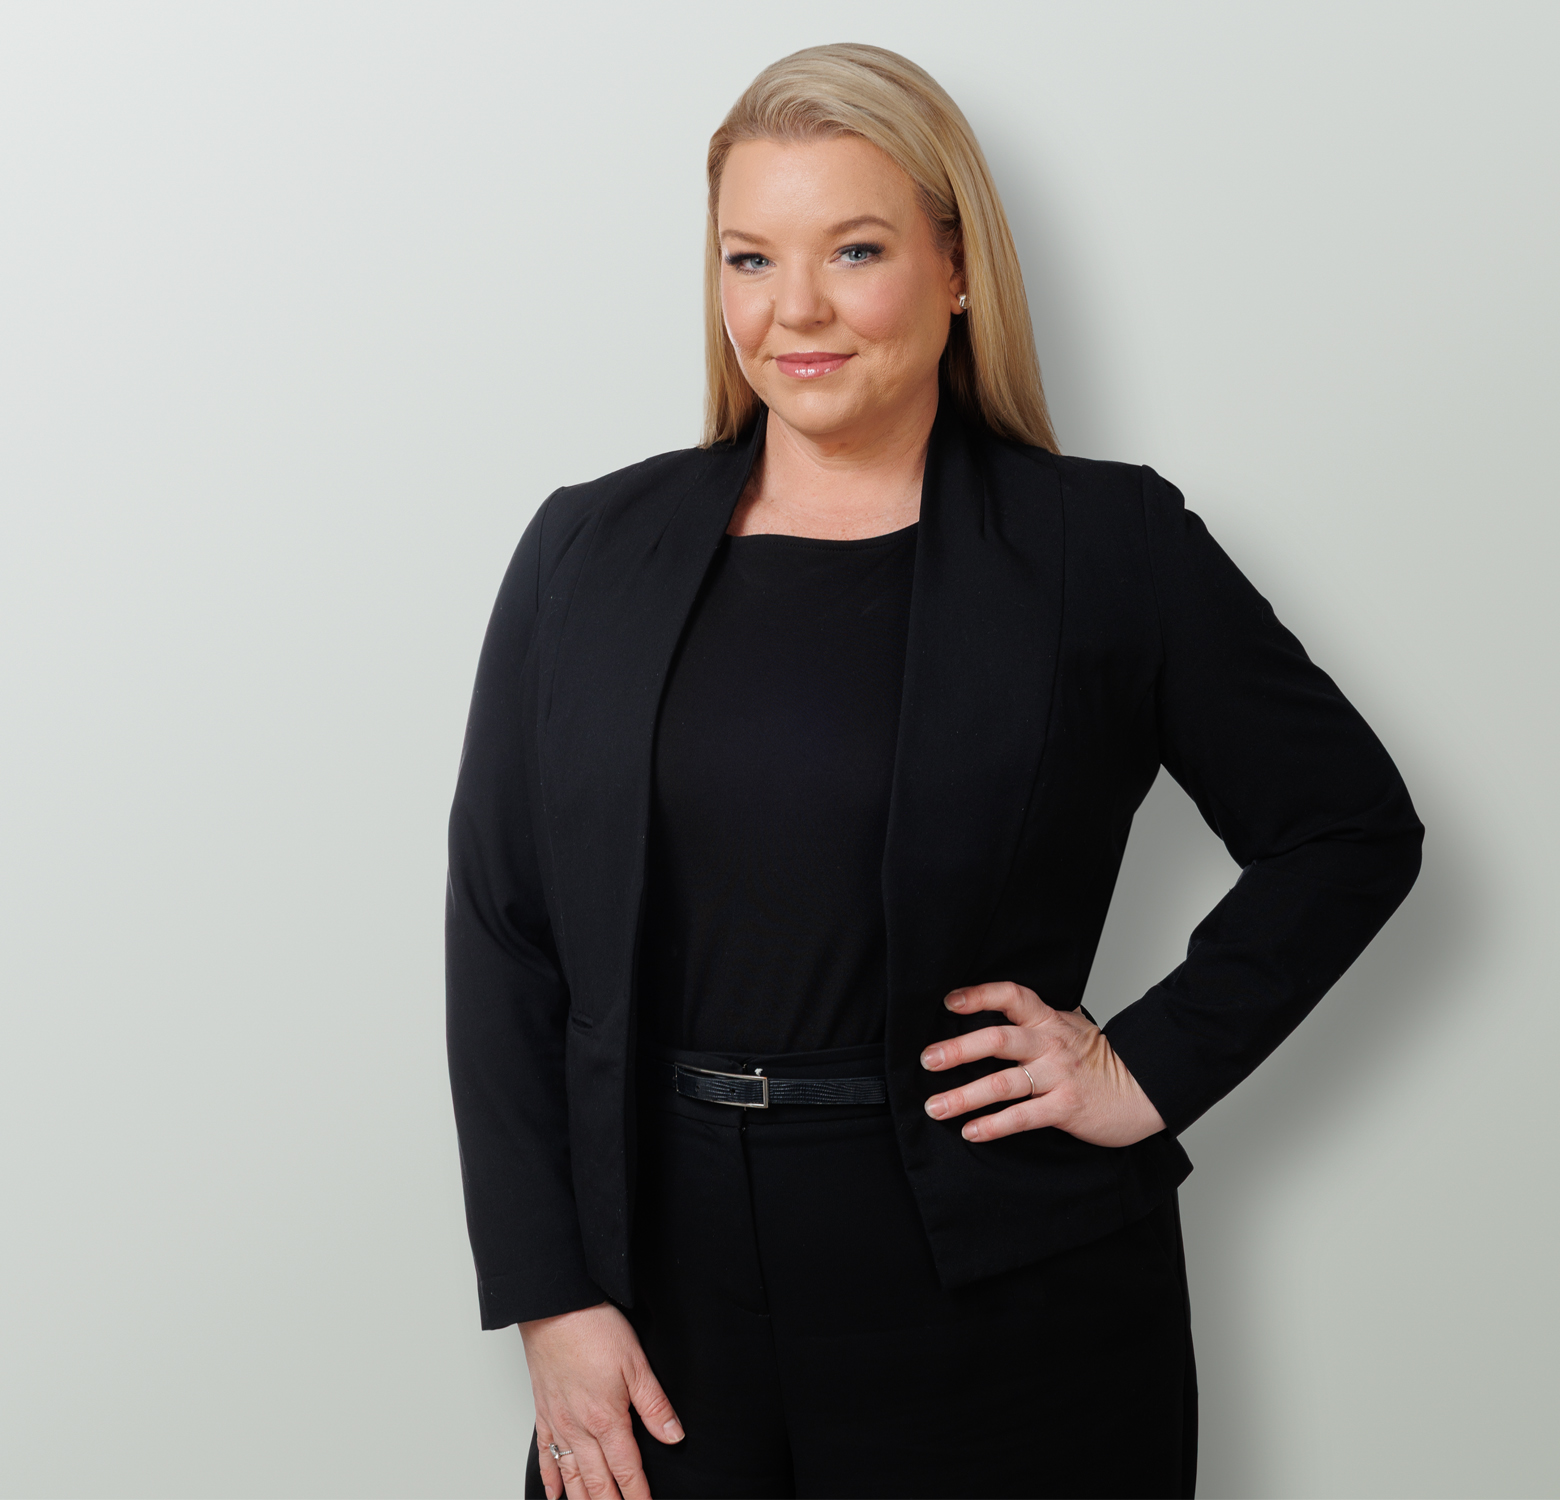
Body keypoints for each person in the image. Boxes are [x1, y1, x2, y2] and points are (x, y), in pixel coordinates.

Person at [445, 43, 1422, 1500]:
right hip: (655, 1293)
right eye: (750, 258)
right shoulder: (586, 549)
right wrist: (553, 1298)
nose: (795, 310)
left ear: (956, 268)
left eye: (854, 250)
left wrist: (1144, 1066)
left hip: (1005, 1290)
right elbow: (505, 934)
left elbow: (1347, 829)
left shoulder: (1106, 549)